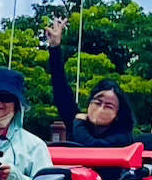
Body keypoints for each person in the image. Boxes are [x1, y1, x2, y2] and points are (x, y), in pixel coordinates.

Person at [40, 17, 135, 147]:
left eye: (108, 106)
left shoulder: (122, 137)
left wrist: (79, 123)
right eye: (97, 102)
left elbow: (91, 147)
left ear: (117, 114)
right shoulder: (78, 119)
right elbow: (61, 91)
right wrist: (54, 47)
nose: (100, 109)